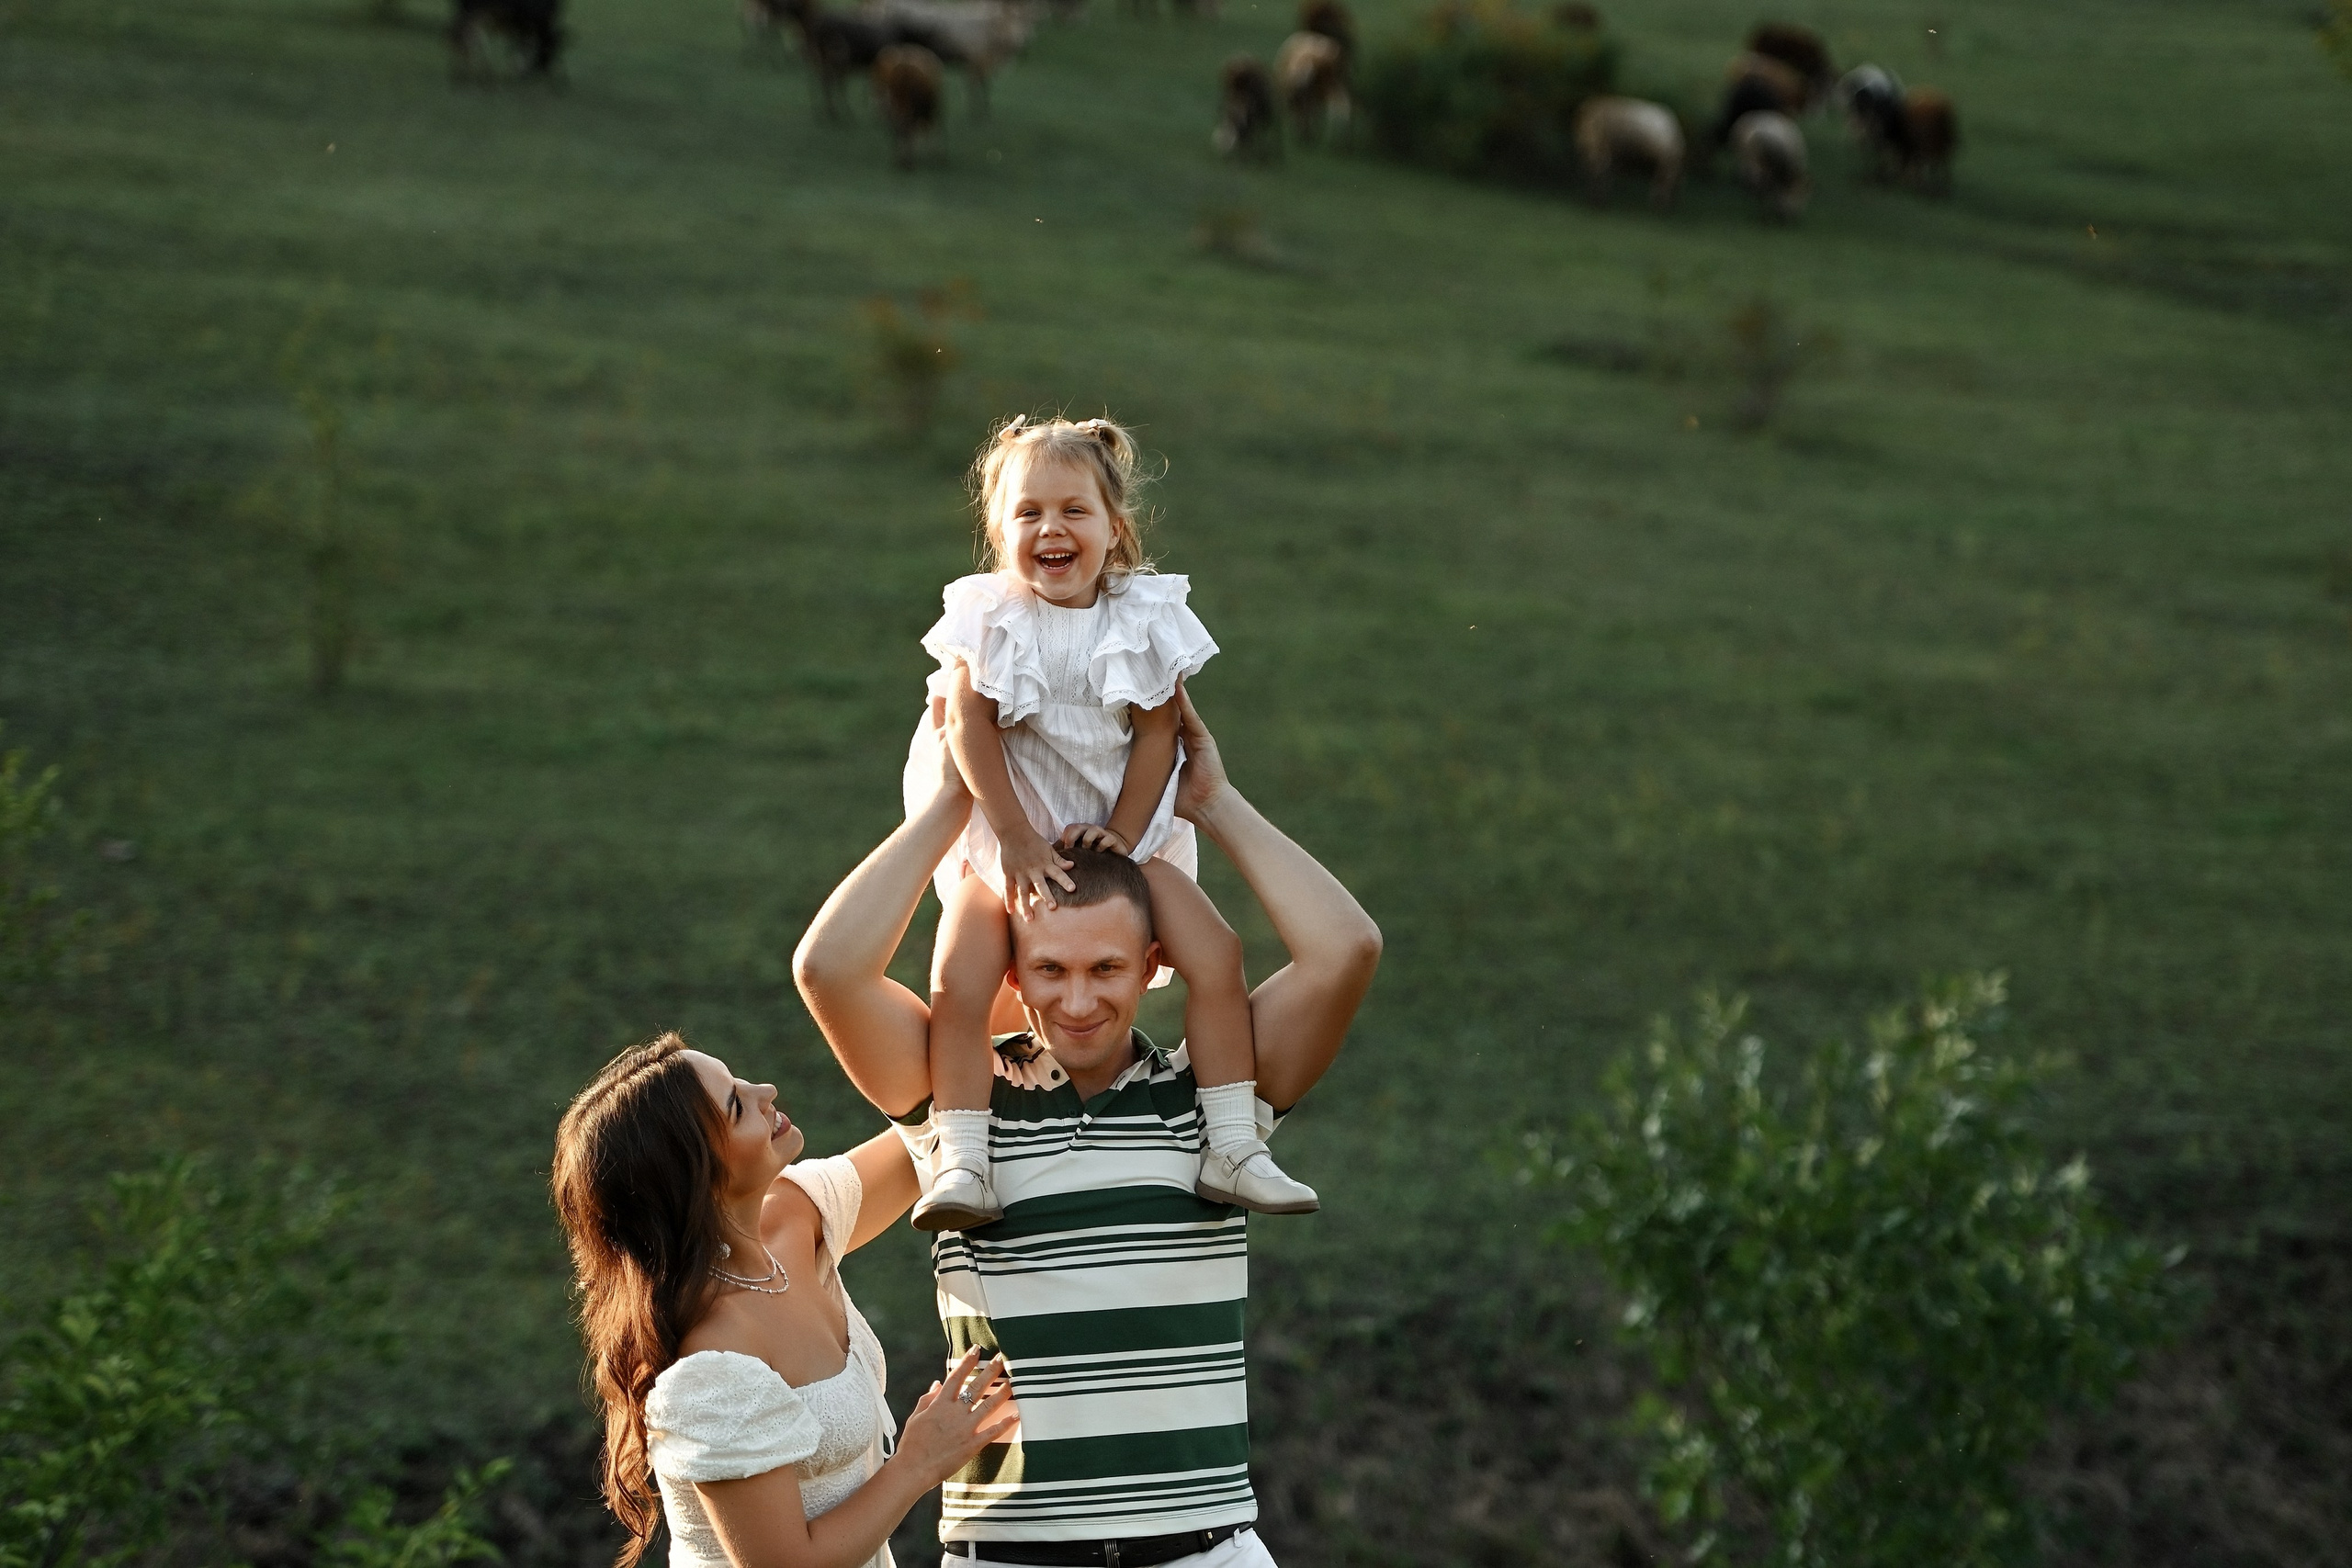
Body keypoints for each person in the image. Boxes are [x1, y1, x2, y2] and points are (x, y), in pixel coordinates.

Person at [796, 686, 1380, 1565]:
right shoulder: (963, 1105)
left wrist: (1213, 803)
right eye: (1050, 968)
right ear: (1015, 973)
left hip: (1203, 1549)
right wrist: (960, 801)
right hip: (1013, 1554)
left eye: (1107, 966)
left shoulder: (1210, 1097)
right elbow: (829, 970)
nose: (1077, 1000)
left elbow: (1346, 949)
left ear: (1154, 964)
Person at [899, 412, 1315, 1230]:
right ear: (998, 531)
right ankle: (964, 1158)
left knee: (1219, 952)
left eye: (1073, 510)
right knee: (960, 974)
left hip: (1121, 829)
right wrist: (1014, 838)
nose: (1050, 528)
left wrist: (1125, 837)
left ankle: (1232, 1142)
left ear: (1114, 527)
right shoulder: (989, 615)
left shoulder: (1142, 615)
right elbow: (970, 728)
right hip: (1009, 827)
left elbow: (1160, 734)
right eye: (1027, 513)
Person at [552, 1033, 1023, 1568]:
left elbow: (935, 1128)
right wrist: (916, 1462)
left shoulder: (793, 1219)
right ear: (698, 1174)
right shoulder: (714, 1362)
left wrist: (1009, 981)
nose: (765, 1090)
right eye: (736, 1105)